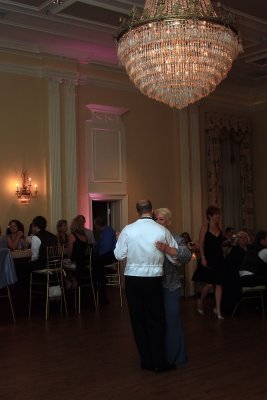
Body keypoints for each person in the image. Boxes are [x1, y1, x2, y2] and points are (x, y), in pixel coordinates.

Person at [114, 199, 178, 373]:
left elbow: (119, 255)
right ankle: (159, 362)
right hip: (153, 279)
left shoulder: (128, 230)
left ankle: (146, 360)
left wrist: (119, 240)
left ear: (138, 212)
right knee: (156, 320)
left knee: (138, 320)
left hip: (132, 279)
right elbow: (174, 256)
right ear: (152, 210)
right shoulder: (162, 230)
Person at [154, 208, 191, 366]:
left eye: (161, 219)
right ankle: (158, 356)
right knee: (156, 323)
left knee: (172, 321)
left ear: (168, 222)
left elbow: (186, 256)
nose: (158, 222)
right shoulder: (150, 238)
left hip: (170, 287)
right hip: (152, 288)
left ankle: (175, 357)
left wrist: (168, 249)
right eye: (156, 219)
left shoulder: (175, 238)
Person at [192, 205, 225, 320]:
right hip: (209, 258)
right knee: (210, 284)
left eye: (218, 214)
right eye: (215, 214)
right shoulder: (204, 227)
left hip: (219, 258)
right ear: (209, 216)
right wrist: (203, 258)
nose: (218, 216)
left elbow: (221, 243)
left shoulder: (219, 228)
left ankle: (218, 310)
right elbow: (201, 244)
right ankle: (200, 302)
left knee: (219, 284)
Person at [221, 230, 250, 314]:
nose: (244, 239)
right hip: (237, 273)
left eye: (245, 237)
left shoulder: (250, 248)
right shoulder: (235, 249)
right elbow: (230, 264)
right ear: (238, 240)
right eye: (241, 238)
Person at [92, 216, 117, 304]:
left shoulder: (106, 232)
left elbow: (106, 248)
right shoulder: (107, 231)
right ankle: (101, 280)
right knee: (97, 264)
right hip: (110, 255)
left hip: (110, 255)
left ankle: (99, 284)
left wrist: (97, 253)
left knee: (96, 263)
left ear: (97, 225)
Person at [67, 215, 89, 285]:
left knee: (60, 266)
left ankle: (71, 283)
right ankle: (74, 281)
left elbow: (69, 252)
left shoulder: (72, 236)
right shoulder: (85, 236)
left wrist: (68, 258)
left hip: (76, 263)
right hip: (85, 261)